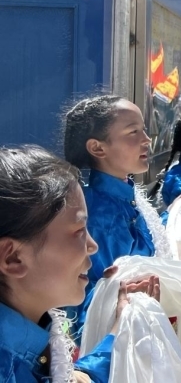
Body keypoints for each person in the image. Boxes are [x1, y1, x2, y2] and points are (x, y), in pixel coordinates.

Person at [0, 145, 159, 383]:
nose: (93, 246)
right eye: (79, 231)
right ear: (13, 258)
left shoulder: (36, 340)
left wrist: (121, 327)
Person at [63, 95, 170, 343]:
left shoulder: (127, 195)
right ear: (97, 148)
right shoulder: (97, 215)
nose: (147, 140)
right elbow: (92, 299)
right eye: (133, 132)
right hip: (115, 343)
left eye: (144, 130)